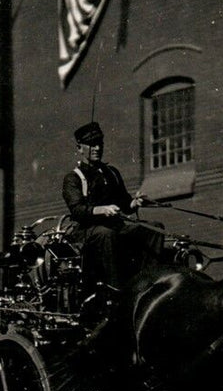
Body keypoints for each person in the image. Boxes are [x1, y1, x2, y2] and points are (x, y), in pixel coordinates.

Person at [60, 122, 154, 290]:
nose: (97, 148)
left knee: (153, 229)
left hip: (115, 226)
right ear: (80, 148)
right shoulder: (73, 178)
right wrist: (101, 210)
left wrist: (135, 202)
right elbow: (77, 210)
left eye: (99, 144)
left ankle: (148, 282)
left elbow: (125, 203)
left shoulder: (112, 173)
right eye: (91, 144)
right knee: (106, 234)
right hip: (86, 231)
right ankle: (114, 289)